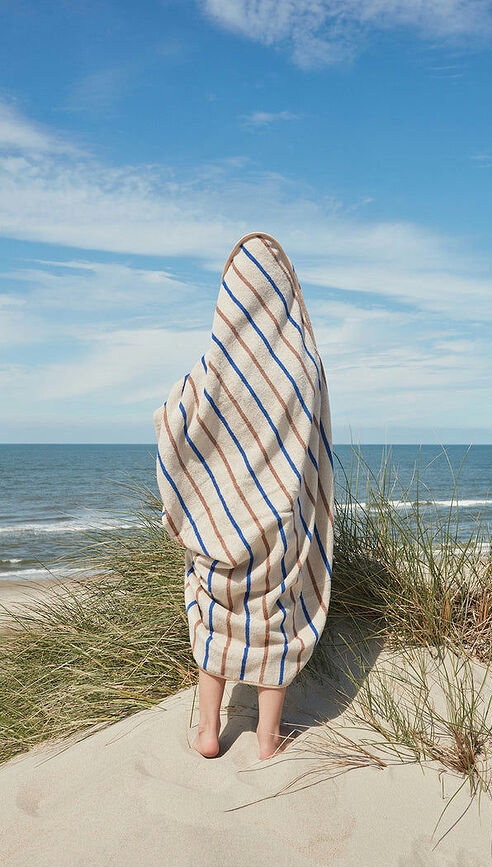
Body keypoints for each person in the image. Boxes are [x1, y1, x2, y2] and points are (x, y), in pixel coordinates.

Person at [153, 231, 334, 760]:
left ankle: (209, 732)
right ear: (283, 291)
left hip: (222, 521)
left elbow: (180, 416)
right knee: (278, 621)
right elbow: (314, 440)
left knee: (215, 617)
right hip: (280, 523)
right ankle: (268, 738)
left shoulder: (216, 364)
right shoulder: (304, 362)